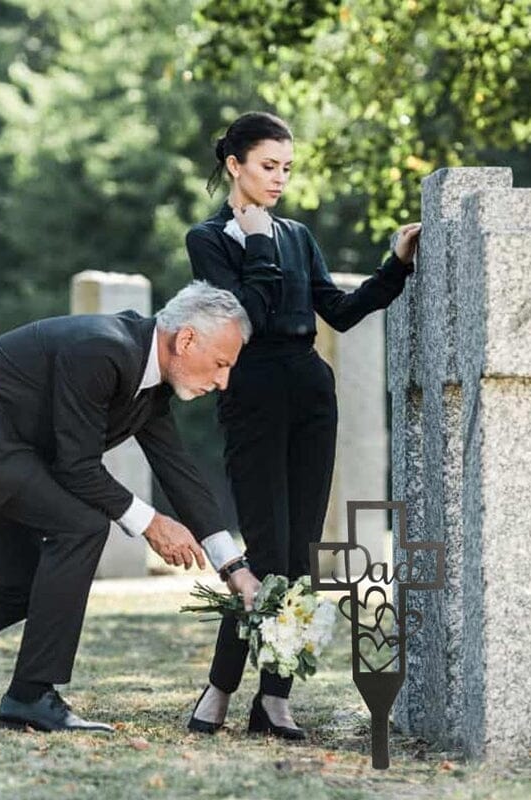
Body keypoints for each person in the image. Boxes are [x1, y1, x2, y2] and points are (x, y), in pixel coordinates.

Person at [0, 281, 259, 732]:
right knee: (82, 526)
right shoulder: (104, 348)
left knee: (22, 581)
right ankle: (31, 695)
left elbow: (178, 471)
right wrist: (151, 522)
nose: (223, 381)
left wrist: (232, 566)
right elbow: (76, 466)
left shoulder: (150, 383)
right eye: (221, 364)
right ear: (187, 339)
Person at [185, 111, 421, 739]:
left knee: (300, 559)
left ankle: (274, 699)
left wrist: (395, 266)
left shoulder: (298, 235)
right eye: (268, 166)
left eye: (287, 168)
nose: (280, 179)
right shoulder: (207, 239)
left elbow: (338, 314)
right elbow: (244, 318)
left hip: (311, 392)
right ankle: (221, 686)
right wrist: (255, 241)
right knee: (263, 555)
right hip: (252, 392)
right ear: (234, 165)